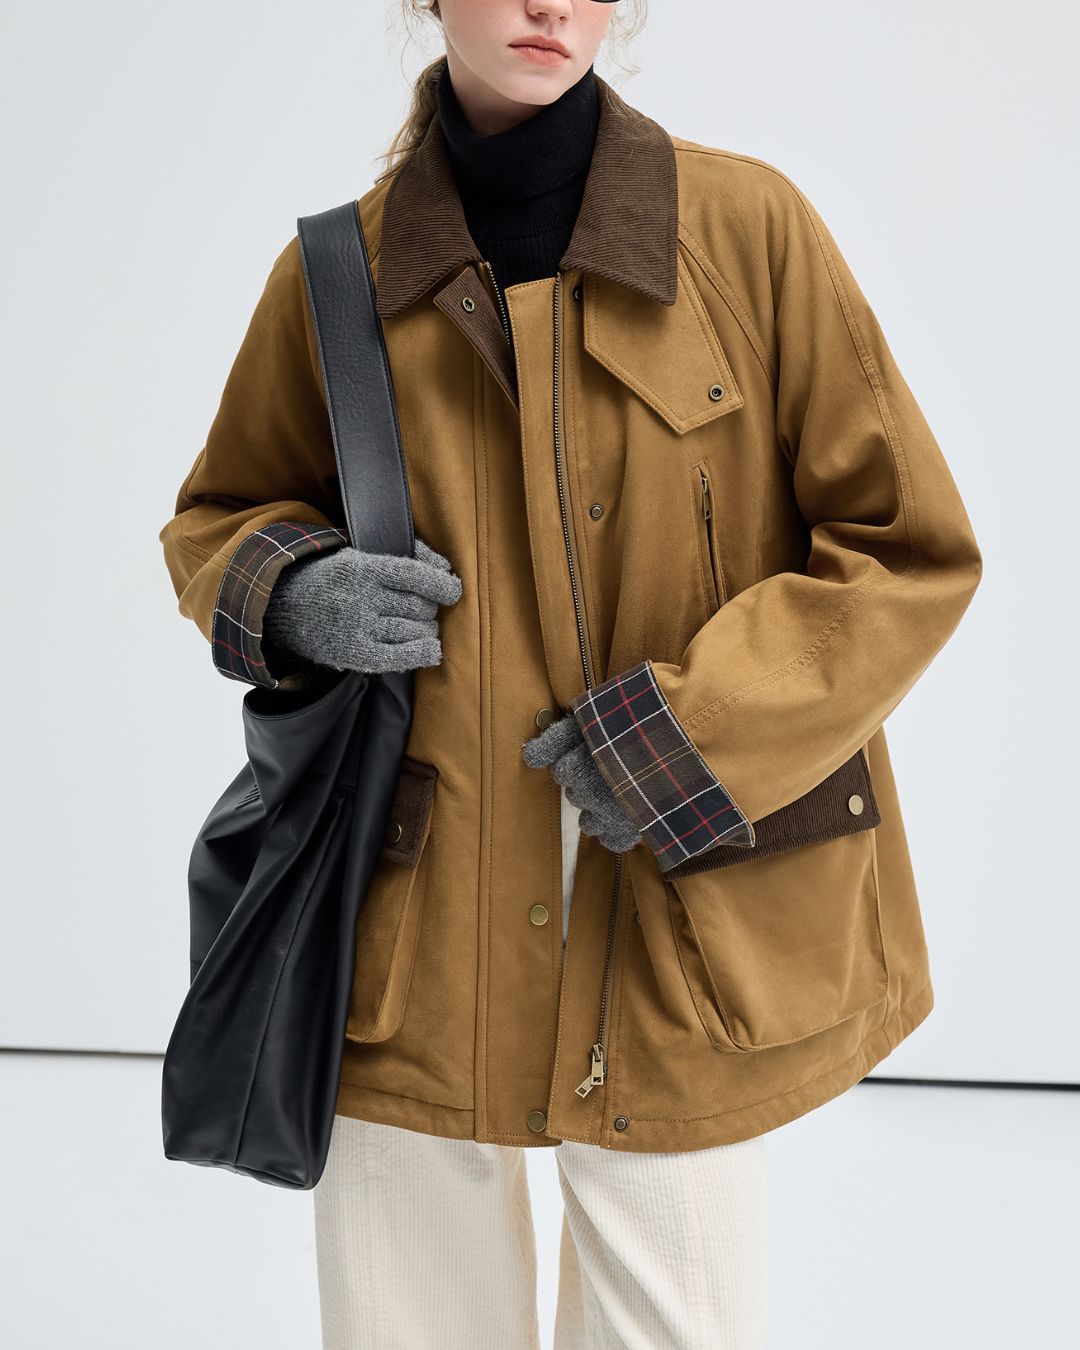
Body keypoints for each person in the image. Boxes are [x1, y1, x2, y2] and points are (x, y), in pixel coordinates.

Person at [158, 1, 983, 1345]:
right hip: (410, 920)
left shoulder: (748, 233)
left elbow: (906, 550)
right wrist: (295, 591)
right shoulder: (335, 276)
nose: (551, 5)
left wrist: (689, 736)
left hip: (688, 911)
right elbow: (218, 517)